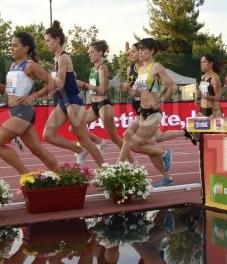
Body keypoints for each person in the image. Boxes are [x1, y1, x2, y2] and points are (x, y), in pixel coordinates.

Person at [0, 32, 61, 175]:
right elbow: (8, 92)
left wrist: (34, 95)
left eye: (15, 45)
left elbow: (53, 83)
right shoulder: (14, 66)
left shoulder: (30, 66)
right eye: (11, 45)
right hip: (16, 111)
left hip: (23, 112)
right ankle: (61, 173)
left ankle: (26, 176)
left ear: (26, 48)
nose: (11, 48)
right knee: (36, 150)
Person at [41, 21, 106, 167]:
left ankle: (105, 171)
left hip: (73, 102)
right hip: (62, 102)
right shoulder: (55, 59)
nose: (46, 44)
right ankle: (78, 150)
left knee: (86, 141)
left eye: (48, 40)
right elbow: (58, 83)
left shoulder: (64, 57)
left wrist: (45, 80)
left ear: (57, 40)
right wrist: (49, 89)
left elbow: (61, 83)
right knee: (48, 135)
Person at [118, 38, 175, 187]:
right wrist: (127, 89)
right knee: (128, 136)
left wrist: (162, 99)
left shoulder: (156, 67)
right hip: (142, 111)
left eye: (143, 50)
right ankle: (167, 176)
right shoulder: (141, 69)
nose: (140, 52)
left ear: (151, 51)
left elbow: (172, 86)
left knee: (134, 145)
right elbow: (137, 93)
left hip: (153, 112)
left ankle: (164, 152)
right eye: (140, 50)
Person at [74, 40, 121, 165]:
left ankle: (132, 161)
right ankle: (99, 141)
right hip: (94, 105)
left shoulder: (102, 68)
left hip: (104, 104)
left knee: (115, 138)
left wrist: (83, 84)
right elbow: (93, 89)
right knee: (74, 126)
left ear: (100, 53)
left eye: (92, 52)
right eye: (88, 52)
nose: (89, 54)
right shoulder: (93, 69)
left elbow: (102, 90)